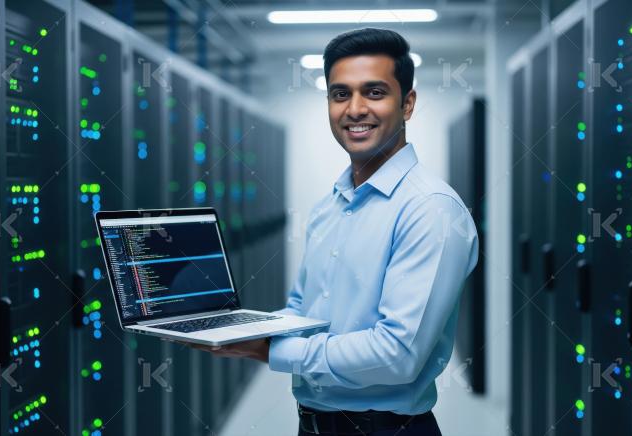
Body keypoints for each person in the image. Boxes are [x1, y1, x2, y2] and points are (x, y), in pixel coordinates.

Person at [188, 28, 478, 435]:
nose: (355, 109)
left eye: (374, 92)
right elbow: (302, 309)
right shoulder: (331, 205)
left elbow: (398, 355)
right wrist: (243, 329)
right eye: (340, 94)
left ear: (408, 104)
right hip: (313, 425)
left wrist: (272, 350)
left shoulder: (430, 210)